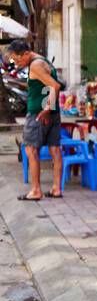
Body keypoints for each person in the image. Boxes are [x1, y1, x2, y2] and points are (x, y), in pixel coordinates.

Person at [6, 39, 63, 201]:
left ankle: (36, 190)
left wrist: (46, 110)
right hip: (52, 113)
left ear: (26, 53)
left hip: (39, 114)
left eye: (18, 59)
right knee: (55, 149)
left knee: (31, 150)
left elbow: (55, 86)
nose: (16, 63)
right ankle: (56, 188)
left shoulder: (35, 65)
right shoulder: (43, 61)